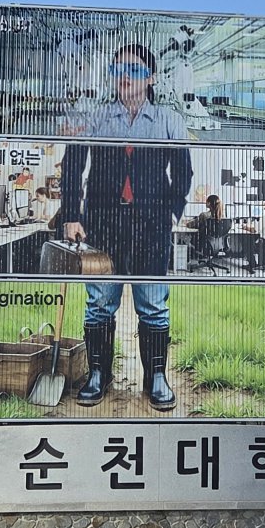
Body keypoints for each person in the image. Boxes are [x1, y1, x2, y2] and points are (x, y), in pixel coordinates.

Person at [57, 43, 192, 412]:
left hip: (151, 226)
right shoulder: (95, 117)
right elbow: (72, 166)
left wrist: (172, 213)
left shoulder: (168, 120)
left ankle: (156, 377)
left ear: (150, 78)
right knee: (100, 303)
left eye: (133, 70)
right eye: (117, 69)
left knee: (153, 305)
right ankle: (99, 374)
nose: (123, 76)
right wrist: (72, 214)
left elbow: (183, 172)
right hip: (102, 223)